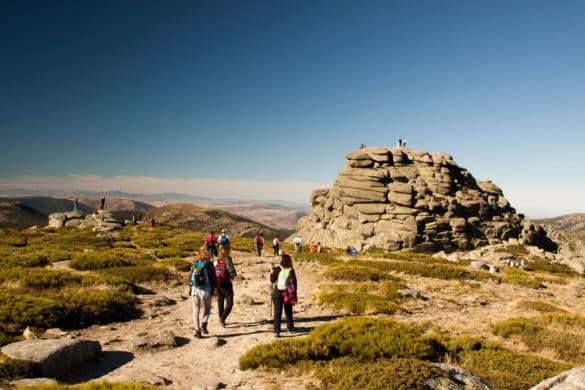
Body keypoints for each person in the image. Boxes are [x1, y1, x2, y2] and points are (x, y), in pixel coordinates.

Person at [189, 248, 217, 339]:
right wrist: (215, 288)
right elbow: (213, 277)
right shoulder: (209, 264)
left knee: (195, 310)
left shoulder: (194, 264)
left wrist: (190, 288)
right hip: (206, 290)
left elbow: (190, 277)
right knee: (208, 308)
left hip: (195, 290)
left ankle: (197, 332)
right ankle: (204, 323)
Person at [270, 253, 298, 337]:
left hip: (277, 293)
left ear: (282, 260)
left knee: (277, 312)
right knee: (288, 311)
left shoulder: (278, 269)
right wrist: (294, 294)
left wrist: (271, 273)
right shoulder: (291, 270)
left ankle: (277, 331)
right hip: (287, 293)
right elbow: (294, 283)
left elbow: (272, 280)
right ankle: (289, 328)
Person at [214, 248, 237, 327]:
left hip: (218, 285)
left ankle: (221, 319)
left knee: (220, 303)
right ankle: (223, 319)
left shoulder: (216, 261)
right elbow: (233, 272)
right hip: (227, 285)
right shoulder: (228, 260)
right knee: (230, 304)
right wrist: (233, 277)